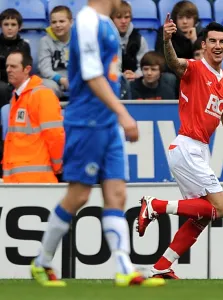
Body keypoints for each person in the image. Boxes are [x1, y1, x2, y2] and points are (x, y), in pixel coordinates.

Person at [30, 0, 165, 288]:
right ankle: (41, 262)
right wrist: (123, 113)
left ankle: (124, 268)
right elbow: (91, 75)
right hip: (87, 121)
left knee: (117, 194)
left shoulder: (105, 23)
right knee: (78, 196)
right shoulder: (88, 21)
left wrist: (116, 116)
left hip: (108, 123)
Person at [137, 19, 223, 279]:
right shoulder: (195, 68)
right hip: (187, 146)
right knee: (220, 208)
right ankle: (155, 205)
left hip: (199, 150)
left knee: (202, 215)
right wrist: (166, 40)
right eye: (213, 41)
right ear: (204, 44)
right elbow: (175, 63)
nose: (217, 46)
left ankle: (162, 266)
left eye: (222, 42)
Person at [2, 50, 64, 183]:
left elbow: (54, 135)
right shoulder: (16, 98)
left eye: (13, 66)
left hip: (37, 180)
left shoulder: (42, 95)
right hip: (16, 179)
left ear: (27, 69)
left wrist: (58, 166)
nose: (8, 70)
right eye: (7, 66)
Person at [38, 6, 72, 98]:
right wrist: (61, 80)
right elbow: (45, 69)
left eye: (61, 21)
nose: (57, 25)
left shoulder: (79, 40)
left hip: (74, 81)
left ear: (71, 22)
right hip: (54, 81)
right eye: (54, 22)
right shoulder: (45, 41)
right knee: (46, 87)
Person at [0, 8, 31, 109]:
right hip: (1, 82)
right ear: (1, 26)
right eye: (6, 24)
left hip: (19, 81)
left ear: (20, 27)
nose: (9, 28)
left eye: (13, 24)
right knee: (2, 88)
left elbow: (26, 68)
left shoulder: (24, 46)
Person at [111, 0, 148, 81]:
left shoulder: (139, 39)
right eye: (119, 17)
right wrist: (121, 76)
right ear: (112, 19)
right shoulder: (107, 39)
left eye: (127, 17)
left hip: (135, 81)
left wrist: (136, 75)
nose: (123, 21)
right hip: (113, 82)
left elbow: (145, 65)